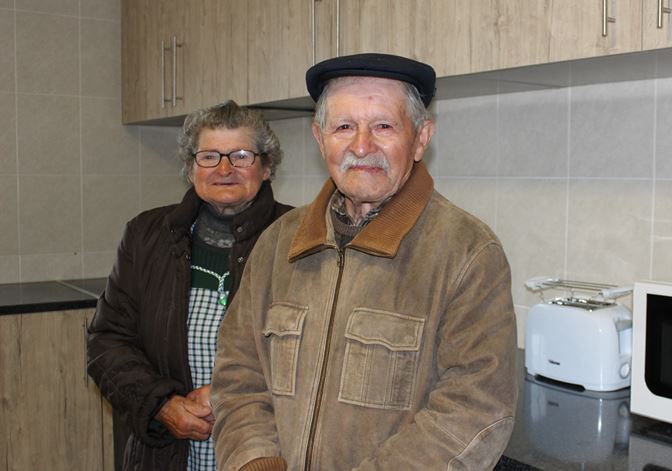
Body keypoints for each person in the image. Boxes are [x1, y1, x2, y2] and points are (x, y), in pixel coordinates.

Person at [211, 53, 517, 471]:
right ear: (320, 139)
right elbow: (239, 377)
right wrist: (256, 462)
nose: (361, 146)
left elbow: (474, 412)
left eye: (383, 126)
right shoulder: (277, 244)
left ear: (421, 138)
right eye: (343, 127)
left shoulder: (468, 253)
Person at [86, 100, 294, 471]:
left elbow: (321, 355)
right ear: (190, 168)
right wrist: (161, 405)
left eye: (241, 156)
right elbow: (107, 340)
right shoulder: (145, 236)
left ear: (266, 167)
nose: (225, 169)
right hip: (166, 454)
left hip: (267, 453)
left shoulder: (301, 239)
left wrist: (232, 395)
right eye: (209, 156)